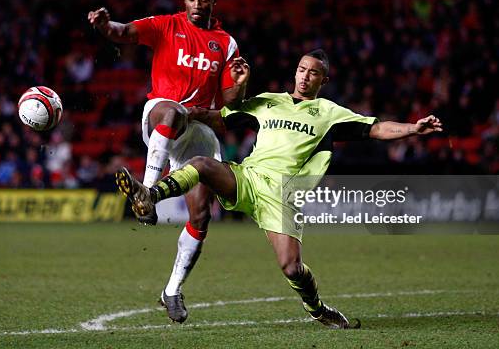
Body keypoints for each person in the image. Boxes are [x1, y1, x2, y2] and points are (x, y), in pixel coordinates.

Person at [116, 49, 443, 328]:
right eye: (301, 70)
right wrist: (210, 101)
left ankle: (317, 309)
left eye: (313, 73)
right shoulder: (269, 101)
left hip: (283, 197)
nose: (305, 76)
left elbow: (377, 128)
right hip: (248, 179)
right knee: (201, 164)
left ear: (322, 81)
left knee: (292, 267)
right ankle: (150, 195)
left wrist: (413, 128)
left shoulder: (330, 113)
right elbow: (222, 116)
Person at [87, 0, 250, 323]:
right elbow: (123, 32)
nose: (196, 4)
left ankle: (172, 291)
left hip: (199, 131)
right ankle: (147, 190)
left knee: (202, 216)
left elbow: (231, 106)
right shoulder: (166, 25)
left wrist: (239, 84)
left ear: (213, 1)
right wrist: (103, 25)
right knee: (174, 110)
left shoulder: (226, 44)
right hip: (161, 114)